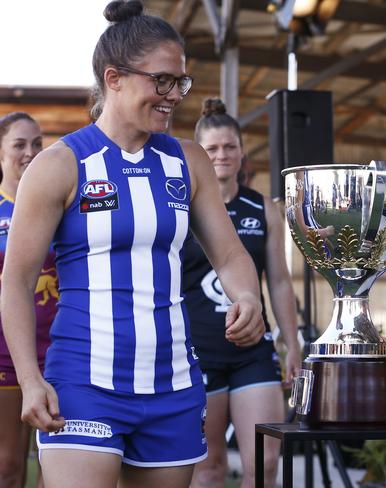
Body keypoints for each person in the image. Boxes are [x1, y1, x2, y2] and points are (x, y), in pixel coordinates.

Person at [0, 2, 264, 488]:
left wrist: (246, 297)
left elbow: (230, 256)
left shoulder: (189, 161)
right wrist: (30, 379)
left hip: (173, 386)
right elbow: (15, 281)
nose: (174, 96)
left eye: (180, 82)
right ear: (114, 77)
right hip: (84, 383)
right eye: (162, 81)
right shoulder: (59, 165)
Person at [185, 98, 301, 488]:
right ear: (199, 153)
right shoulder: (180, 207)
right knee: (208, 467)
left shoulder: (263, 208)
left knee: (266, 461)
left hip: (252, 350)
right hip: (197, 351)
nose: (222, 155)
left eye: (229, 146)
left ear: (241, 150)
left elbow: (280, 281)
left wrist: (292, 342)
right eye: (212, 148)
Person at [0, 112, 54, 488]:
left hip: (58, 352)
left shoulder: (61, 208)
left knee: (55, 463)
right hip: (4, 351)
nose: (31, 152)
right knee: (7, 464)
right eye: (19, 144)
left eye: (37, 143)